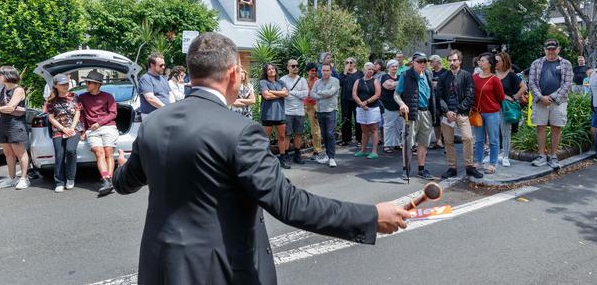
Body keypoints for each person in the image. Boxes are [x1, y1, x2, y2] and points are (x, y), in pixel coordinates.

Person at [112, 32, 411, 284]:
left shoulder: (154, 123)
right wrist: (369, 217)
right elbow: (288, 202)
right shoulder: (240, 131)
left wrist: (116, 165)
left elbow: (124, 183)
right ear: (232, 74)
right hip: (217, 272)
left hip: (157, 268)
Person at [436, 50, 483, 179]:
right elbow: (439, 97)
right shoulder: (443, 77)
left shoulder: (467, 76)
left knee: (468, 138)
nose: (452, 62)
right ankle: (452, 168)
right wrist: (447, 111)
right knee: (449, 142)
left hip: (461, 113)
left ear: (460, 61)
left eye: (454, 60)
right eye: (450, 60)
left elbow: (470, 97)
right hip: (447, 115)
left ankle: (469, 167)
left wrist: (456, 111)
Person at [528, 39, 573, 169]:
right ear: (544, 49)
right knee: (540, 127)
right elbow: (531, 83)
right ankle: (541, 156)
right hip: (540, 101)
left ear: (558, 49)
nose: (551, 51)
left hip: (559, 101)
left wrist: (552, 97)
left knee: (556, 128)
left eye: (554, 49)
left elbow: (567, 83)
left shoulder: (566, 63)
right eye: (548, 49)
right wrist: (541, 97)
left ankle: (553, 157)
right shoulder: (536, 63)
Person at [394, 52, 436, 179]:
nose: (423, 64)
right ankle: (405, 169)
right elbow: (396, 94)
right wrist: (402, 104)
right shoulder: (405, 75)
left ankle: (421, 170)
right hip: (412, 112)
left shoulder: (428, 74)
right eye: (420, 61)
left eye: (425, 61)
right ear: (413, 62)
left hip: (427, 112)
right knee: (408, 142)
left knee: (424, 142)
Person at [79, 70, 119, 196]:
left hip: (108, 127)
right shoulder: (82, 97)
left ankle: (109, 179)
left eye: (89, 82)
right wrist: (83, 130)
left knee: (108, 151)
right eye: (86, 81)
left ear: (97, 84)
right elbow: (81, 116)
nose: (86, 84)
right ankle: (106, 180)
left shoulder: (108, 96)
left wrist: (99, 123)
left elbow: (113, 113)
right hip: (92, 130)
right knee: (99, 152)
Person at [0, 66, 30, 189]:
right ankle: (11, 178)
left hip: (16, 124)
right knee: (8, 153)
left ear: (7, 75)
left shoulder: (18, 90)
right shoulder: (2, 89)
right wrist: (0, 109)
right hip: (3, 124)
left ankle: (24, 178)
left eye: (0, 75)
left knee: (20, 153)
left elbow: (11, 107)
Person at [45, 74, 83, 193]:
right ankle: (59, 182)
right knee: (59, 154)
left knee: (71, 151)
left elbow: (77, 112)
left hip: (74, 128)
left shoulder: (74, 96)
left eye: (66, 83)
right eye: (62, 84)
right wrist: (62, 128)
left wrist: (71, 127)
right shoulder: (51, 100)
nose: (65, 86)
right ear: (56, 86)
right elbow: (51, 118)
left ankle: (70, 178)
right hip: (58, 130)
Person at [472, 53, 505, 174]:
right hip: (478, 113)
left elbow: (501, 97)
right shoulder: (475, 77)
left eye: (482, 61)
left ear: (490, 63)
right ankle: (479, 162)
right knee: (479, 140)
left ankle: (492, 163)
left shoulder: (495, 79)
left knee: (493, 140)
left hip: (492, 113)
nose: (480, 63)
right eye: (479, 61)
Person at [495, 52, 527, 167]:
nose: (495, 63)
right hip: (492, 107)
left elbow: (524, 87)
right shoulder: (492, 74)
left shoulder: (511, 75)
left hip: (505, 107)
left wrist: (514, 97)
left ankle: (506, 156)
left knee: (506, 132)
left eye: (497, 61)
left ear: (504, 62)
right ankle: (495, 154)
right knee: (493, 132)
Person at [259, 63, 290, 169]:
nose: (271, 70)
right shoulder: (263, 82)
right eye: (269, 69)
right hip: (267, 114)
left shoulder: (281, 82)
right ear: (266, 72)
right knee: (265, 139)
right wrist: (279, 93)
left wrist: (271, 91)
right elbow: (266, 96)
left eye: (273, 68)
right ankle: (264, 160)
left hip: (279, 114)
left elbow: (286, 94)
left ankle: (282, 158)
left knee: (281, 137)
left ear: (276, 70)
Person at [311, 63, 341, 167]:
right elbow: (312, 94)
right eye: (323, 70)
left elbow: (331, 93)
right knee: (324, 134)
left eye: (327, 70)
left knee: (330, 134)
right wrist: (322, 93)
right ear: (321, 71)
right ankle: (328, 156)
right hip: (320, 111)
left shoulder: (335, 81)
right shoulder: (317, 82)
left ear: (331, 71)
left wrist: (319, 93)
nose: (325, 72)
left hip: (331, 110)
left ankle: (332, 158)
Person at [280, 59, 309, 164]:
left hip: (299, 112)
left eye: (296, 65)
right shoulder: (283, 79)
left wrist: (291, 92)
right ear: (288, 67)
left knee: (298, 134)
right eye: (292, 66)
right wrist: (297, 94)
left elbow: (305, 94)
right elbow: (283, 94)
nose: (295, 67)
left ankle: (297, 155)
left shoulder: (302, 80)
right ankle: (286, 155)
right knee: (286, 135)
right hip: (287, 112)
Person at [352, 62, 381, 159]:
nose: (371, 71)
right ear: (364, 69)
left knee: (373, 129)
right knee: (364, 130)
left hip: (372, 108)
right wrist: (361, 103)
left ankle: (374, 151)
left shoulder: (375, 81)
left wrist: (366, 102)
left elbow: (377, 94)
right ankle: (363, 150)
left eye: (372, 69)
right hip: (361, 108)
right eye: (369, 69)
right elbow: (354, 94)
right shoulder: (358, 81)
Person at [138, 52, 175, 118]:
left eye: (164, 65)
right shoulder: (146, 79)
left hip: (165, 114)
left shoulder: (163, 78)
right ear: (152, 65)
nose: (163, 67)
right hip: (151, 116)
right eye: (161, 65)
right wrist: (167, 108)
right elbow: (150, 98)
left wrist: (172, 107)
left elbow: (170, 94)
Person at [338, 57, 363, 146]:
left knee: (358, 119)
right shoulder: (343, 74)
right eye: (347, 62)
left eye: (351, 62)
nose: (349, 64)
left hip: (357, 100)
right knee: (345, 119)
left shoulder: (360, 73)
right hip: (345, 99)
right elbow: (339, 84)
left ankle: (360, 139)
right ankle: (346, 139)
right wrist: (345, 71)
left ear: (354, 63)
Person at [380, 60, 403, 153]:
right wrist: (399, 83)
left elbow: (396, 86)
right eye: (393, 66)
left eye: (396, 66)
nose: (395, 68)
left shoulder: (400, 76)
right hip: (388, 105)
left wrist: (394, 83)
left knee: (398, 125)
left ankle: (397, 144)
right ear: (388, 67)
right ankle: (387, 145)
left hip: (399, 104)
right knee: (389, 126)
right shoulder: (384, 76)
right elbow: (388, 86)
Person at [303, 62, 323, 161]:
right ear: (308, 71)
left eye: (315, 71)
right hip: (303, 105)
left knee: (315, 129)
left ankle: (317, 150)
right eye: (312, 71)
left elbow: (320, 96)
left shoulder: (318, 81)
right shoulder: (304, 80)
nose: (314, 72)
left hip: (314, 106)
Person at [429, 54, 446, 149]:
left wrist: (437, 84)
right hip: (433, 100)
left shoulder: (446, 72)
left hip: (443, 100)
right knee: (436, 121)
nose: (430, 63)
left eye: (432, 61)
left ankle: (445, 140)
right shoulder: (430, 73)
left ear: (437, 62)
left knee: (444, 121)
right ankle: (438, 140)